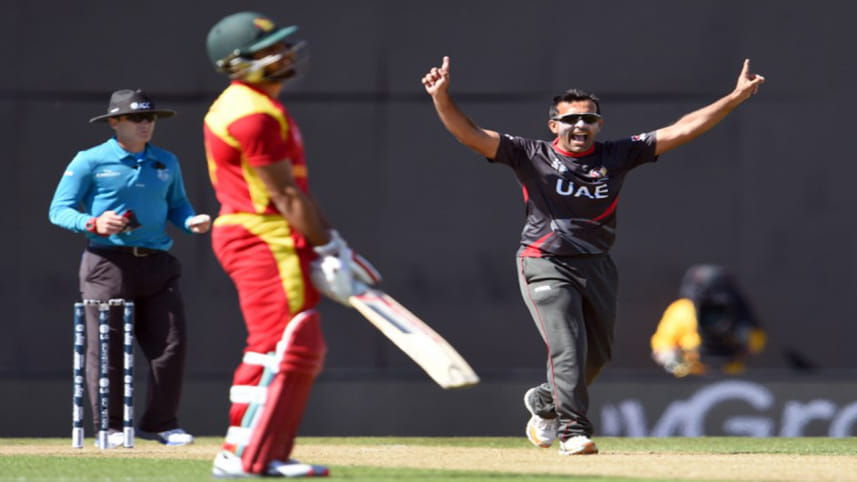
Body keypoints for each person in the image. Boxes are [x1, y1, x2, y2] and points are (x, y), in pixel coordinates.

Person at [422, 56, 765, 455]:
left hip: (597, 265)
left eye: (588, 119)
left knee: (597, 357)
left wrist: (735, 97)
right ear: (554, 125)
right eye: (569, 120)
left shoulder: (616, 155)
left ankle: (546, 403)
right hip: (544, 262)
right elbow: (470, 134)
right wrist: (441, 98)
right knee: (567, 346)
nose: (579, 126)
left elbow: (682, 129)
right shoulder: (529, 153)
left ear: (598, 125)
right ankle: (573, 432)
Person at [203, 11, 379, 478]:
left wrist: (331, 244)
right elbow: (282, 195)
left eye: (281, 46)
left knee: (299, 342)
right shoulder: (251, 114)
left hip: (272, 232)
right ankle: (242, 456)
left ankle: (265, 454)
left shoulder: (257, 104)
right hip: (262, 235)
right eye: (268, 51)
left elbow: (297, 192)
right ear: (237, 63)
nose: (282, 55)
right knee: (279, 342)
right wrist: (328, 249)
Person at [49, 89, 211, 448]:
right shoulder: (90, 160)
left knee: (171, 345)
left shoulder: (165, 161)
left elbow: (178, 206)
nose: (145, 125)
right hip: (107, 264)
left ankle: (160, 423)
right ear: (114, 122)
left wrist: (191, 221)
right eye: (137, 118)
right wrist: (93, 223)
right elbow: (58, 210)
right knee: (107, 348)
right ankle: (111, 426)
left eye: (149, 118)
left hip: (157, 262)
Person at [651, 264, 766, 377]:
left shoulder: (738, 310)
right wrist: (678, 366)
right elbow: (662, 345)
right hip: (691, 376)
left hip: (730, 374)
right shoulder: (683, 309)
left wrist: (741, 339)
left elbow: (756, 340)